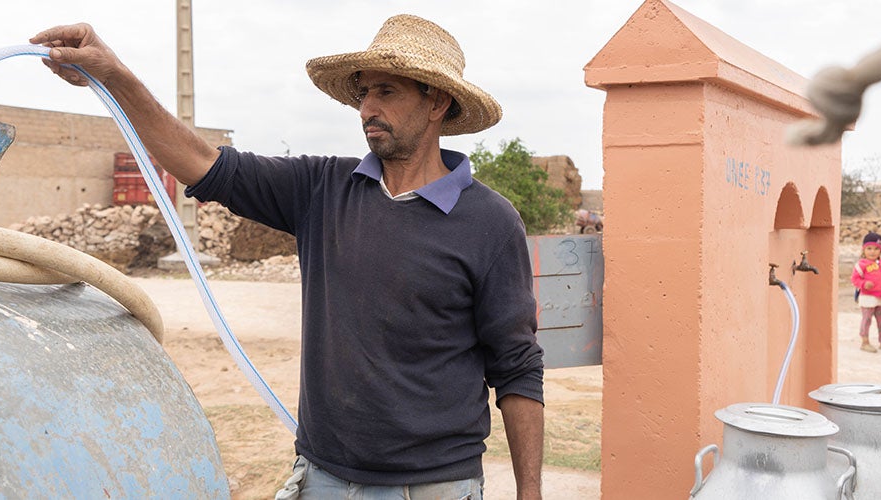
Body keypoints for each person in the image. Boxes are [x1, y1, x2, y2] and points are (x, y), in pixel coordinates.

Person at [31, 15, 545, 499]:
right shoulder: (322, 188)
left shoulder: (490, 223)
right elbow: (200, 162)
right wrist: (117, 76)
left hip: (434, 486)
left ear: (437, 103)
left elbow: (517, 366)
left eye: (386, 91)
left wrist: (530, 493)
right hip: (321, 477)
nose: (367, 108)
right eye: (364, 92)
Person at [851, 232, 881, 353]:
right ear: (864, 249)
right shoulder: (861, 265)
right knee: (867, 319)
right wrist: (863, 284)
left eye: (876, 248)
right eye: (869, 248)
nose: (872, 251)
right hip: (867, 297)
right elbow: (854, 279)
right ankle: (865, 342)